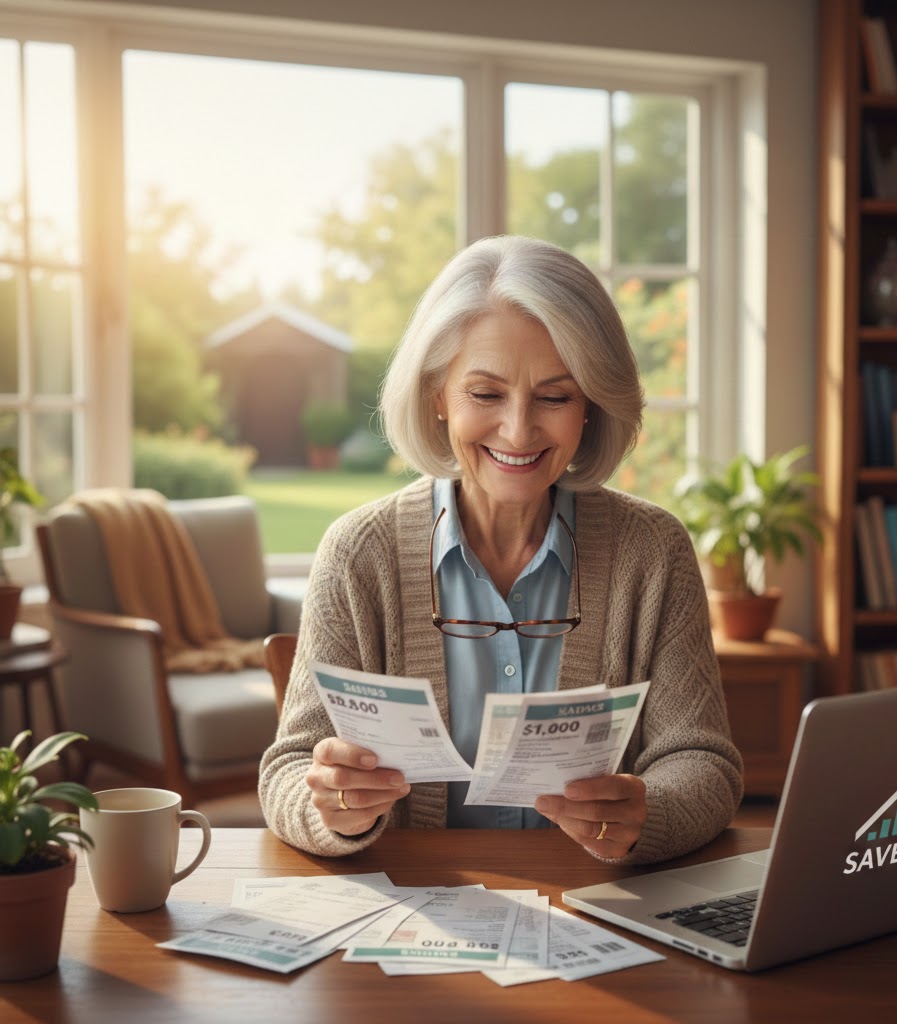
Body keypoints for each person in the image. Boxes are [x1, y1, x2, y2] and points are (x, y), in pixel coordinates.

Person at [259, 235, 743, 865]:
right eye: (485, 394)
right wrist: (330, 805)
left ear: (592, 405)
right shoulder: (359, 554)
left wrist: (646, 813)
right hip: (416, 910)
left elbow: (703, 762)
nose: (518, 430)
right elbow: (290, 771)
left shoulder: (651, 552)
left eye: (555, 396)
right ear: (438, 394)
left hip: (595, 909)